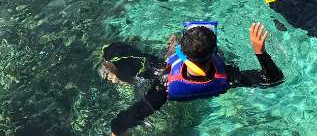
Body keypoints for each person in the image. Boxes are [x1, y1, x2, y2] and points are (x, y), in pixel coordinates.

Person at [101, 21, 283, 135]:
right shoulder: (229, 76)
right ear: (215, 53)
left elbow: (122, 122)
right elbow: (273, 79)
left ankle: (127, 75)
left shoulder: (164, 84)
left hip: (166, 78)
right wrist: (260, 51)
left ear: (182, 52)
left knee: (113, 50)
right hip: (205, 78)